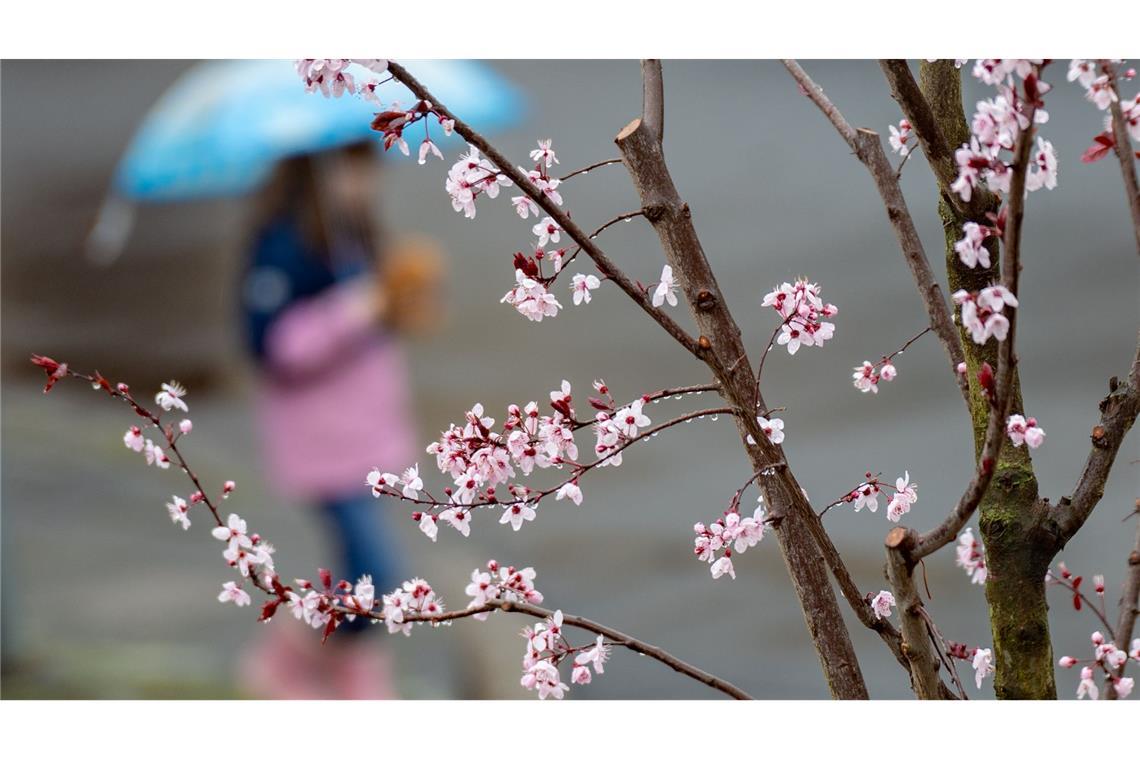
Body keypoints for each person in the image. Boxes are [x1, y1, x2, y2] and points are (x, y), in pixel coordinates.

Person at [236, 140, 442, 698]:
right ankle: (295, 651)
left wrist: (399, 303)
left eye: (369, 164)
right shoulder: (284, 245)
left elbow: (370, 332)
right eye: (352, 163)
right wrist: (358, 310)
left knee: (360, 571)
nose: (365, 179)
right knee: (380, 575)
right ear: (314, 167)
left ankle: (342, 669)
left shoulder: (355, 234)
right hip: (322, 445)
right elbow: (274, 348)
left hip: (366, 435)